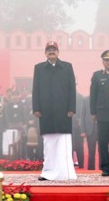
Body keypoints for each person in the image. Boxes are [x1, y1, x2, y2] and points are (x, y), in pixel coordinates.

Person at [32, 41, 77, 181]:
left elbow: (72, 89)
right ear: (45, 53)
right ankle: (48, 172)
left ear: (58, 52)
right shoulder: (39, 68)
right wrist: (36, 108)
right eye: (49, 50)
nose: (52, 52)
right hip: (46, 113)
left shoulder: (67, 67)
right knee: (49, 144)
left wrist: (71, 108)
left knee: (63, 143)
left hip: (64, 112)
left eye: (54, 49)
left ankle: (65, 173)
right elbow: (36, 90)